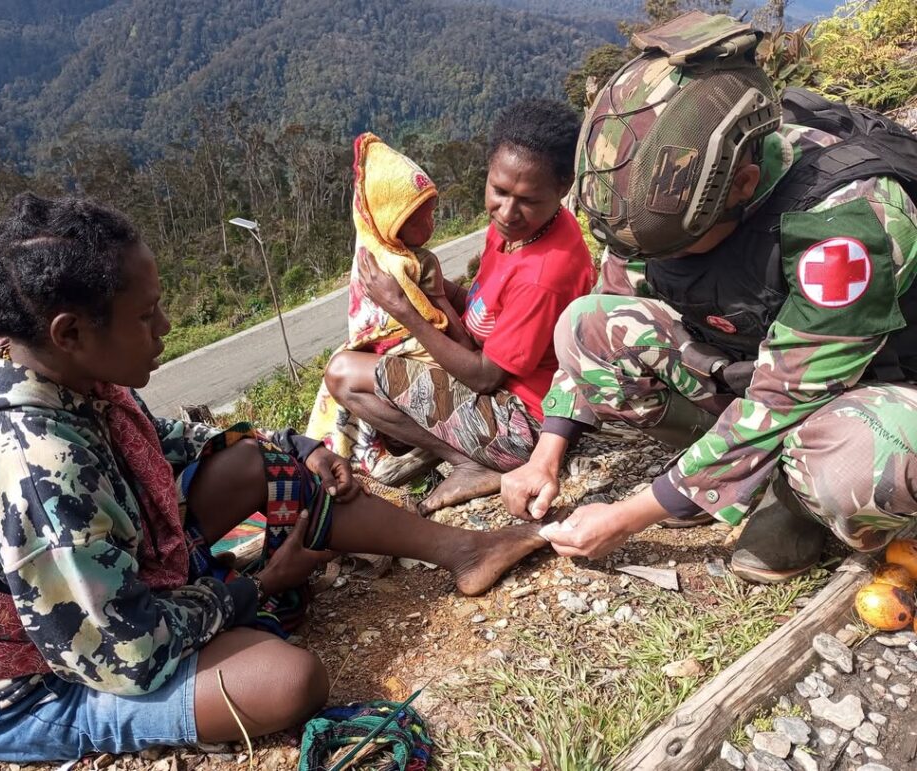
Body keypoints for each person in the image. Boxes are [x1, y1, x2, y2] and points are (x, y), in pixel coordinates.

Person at [0, 194, 550, 762]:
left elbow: (165, 441)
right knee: (286, 681)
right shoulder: (34, 465)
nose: (164, 328)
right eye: (146, 316)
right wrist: (252, 588)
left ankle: (464, 550)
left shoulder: (51, 363)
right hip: (34, 685)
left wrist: (298, 446)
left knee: (260, 460)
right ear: (70, 332)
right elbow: (126, 654)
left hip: (95, 588)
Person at [501, 11, 917, 584]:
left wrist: (628, 517)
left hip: (873, 380)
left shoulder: (846, 224)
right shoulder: (660, 197)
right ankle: (731, 473)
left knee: (857, 469)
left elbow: (788, 394)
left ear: (742, 185)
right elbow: (611, 296)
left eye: (680, 247)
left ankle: (796, 500)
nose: (661, 260)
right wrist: (544, 456)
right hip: (760, 357)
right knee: (586, 326)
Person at [324, 99, 596, 514]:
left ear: (563, 189)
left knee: (343, 374)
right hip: (507, 394)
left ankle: (470, 463)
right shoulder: (520, 231)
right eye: (499, 191)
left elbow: (485, 377)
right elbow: (488, 312)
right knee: (365, 362)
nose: (507, 212)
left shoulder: (545, 274)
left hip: (527, 423)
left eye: (527, 200)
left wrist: (403, 309)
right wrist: (432, 287)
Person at [306, 133, 471, 480]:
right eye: (418, 220)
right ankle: (446, 454)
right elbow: (445, 324)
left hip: (378, 356)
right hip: (420, 356)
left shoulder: (373, 254)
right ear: (389, 221)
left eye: (431, 215)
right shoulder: (409, 264)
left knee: (341, 377)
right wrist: (463, 335)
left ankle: (357, 453)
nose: (430, 226)